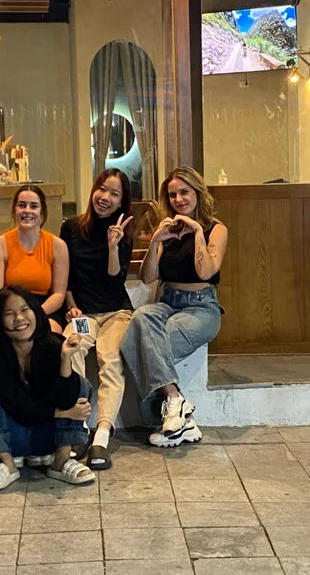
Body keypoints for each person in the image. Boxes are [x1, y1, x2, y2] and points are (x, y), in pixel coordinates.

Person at [121, 167, 227, 448]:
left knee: (141, 345)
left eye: (184, 192)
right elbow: (147, 278)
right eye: (173, 195)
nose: (179, 199)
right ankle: (176, 405)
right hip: (168, 302)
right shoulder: (167, 231)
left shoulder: (216, 229)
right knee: (141, 317)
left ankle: (165, 416)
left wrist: (197, 233)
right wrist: (156, 240)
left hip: (202, 308)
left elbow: (206, 272)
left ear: (197, 193)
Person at [0, 285, 95, 491]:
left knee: (80, 384)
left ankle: (60, 462)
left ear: (36, 311)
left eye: (25, 310)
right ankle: (6, 464)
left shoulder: (54, 344)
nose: (19, 318)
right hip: (12, 437)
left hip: (48, 436)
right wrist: (63, 413)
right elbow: (17, 405)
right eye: (9, 313)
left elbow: (67, 397)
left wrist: (65, 359)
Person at [60, 168, 134, 470]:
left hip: (117, 312)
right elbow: (64, 278)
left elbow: (116, 283)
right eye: (102, 189)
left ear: (121, 203)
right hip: (84, 313)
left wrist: (113, 246)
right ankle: (77, 428)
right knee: (71, 345)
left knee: (110, 358)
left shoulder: (123, 232)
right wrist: (72, 306)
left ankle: (101, 436)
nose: (105, 197)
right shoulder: (71, 228)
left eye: (114, 194)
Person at [0, 186, 69, 331]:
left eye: (34, 206)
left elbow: (58, 295)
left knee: (51, 337)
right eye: (22, 205)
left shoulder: (58, 246)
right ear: (14, 210)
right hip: (8, 309)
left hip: (45, 309)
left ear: (42, 213)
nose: (27, 210)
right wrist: (14, 315)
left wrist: (34, 315)